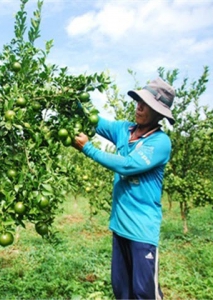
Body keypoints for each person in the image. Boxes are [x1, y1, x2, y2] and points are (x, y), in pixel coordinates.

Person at [74, 77, 175, 300]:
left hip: (142, 232)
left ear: (159, 113)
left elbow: (128, 165)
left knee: (144, 293)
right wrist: (71, 99)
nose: (139, 107)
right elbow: (94, 120)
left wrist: (88, 149)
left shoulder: (160, 142)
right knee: (122, 292)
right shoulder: (123, 129)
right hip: (119, 228)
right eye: (139, 101)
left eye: (147, 105)